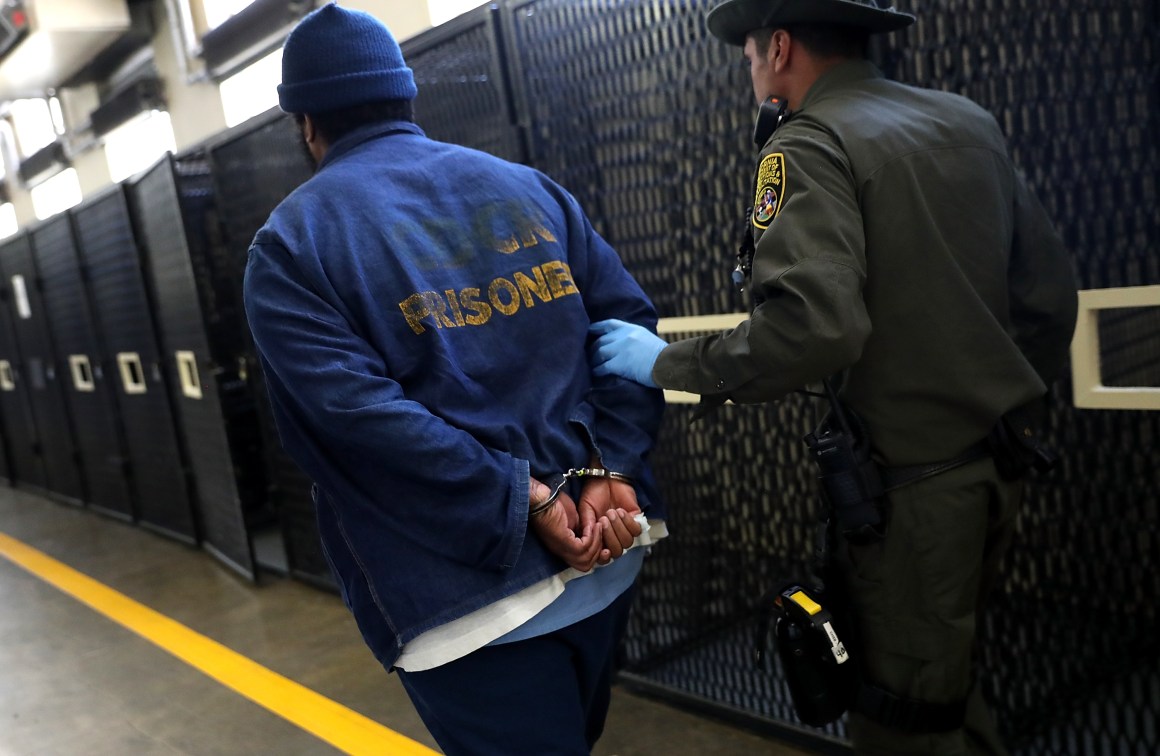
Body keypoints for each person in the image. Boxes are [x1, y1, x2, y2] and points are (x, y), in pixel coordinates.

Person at [590, 0, 1078, 754]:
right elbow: (1047, 299)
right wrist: (1006, 408)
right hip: (995, 465)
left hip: (910, 492)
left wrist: (667, 363)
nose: (750, 74)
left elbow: (813, 328)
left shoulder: (809, 142)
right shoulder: (964, 120)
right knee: (947, 682)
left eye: (749, 57)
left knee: (905, 717)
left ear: (779, 47)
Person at [242, 5, 667, 755]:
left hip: (467, 604)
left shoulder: (293, 244)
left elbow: (359, 418)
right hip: (607, 549)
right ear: (407, 98)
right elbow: (625, 330)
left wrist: (524, 500)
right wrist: (611, 465)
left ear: (306, 123)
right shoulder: (528, 188)